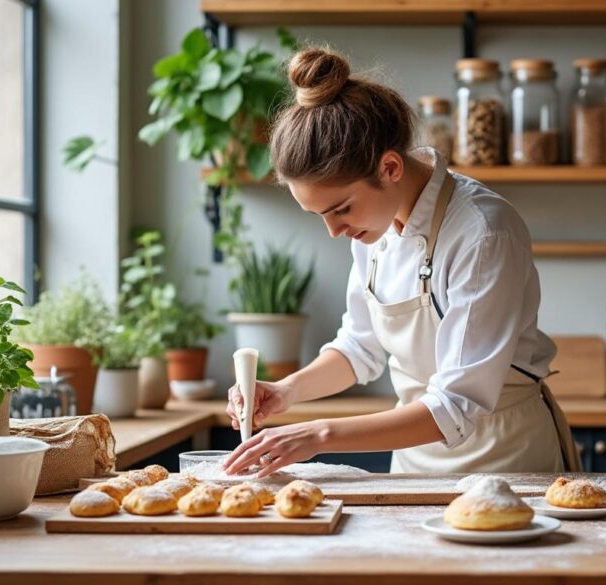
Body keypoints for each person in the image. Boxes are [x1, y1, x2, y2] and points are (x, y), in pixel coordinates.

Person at [224, 47, 581, 478]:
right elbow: (359, 347)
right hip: (414, 456)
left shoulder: (483, 232)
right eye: (320, 215)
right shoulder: (372, 226)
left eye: (340, 209)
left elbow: (456, 405)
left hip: (505, 455)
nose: (334, 231)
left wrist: (317, 436)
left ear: (389, 167)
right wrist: (285, 391)